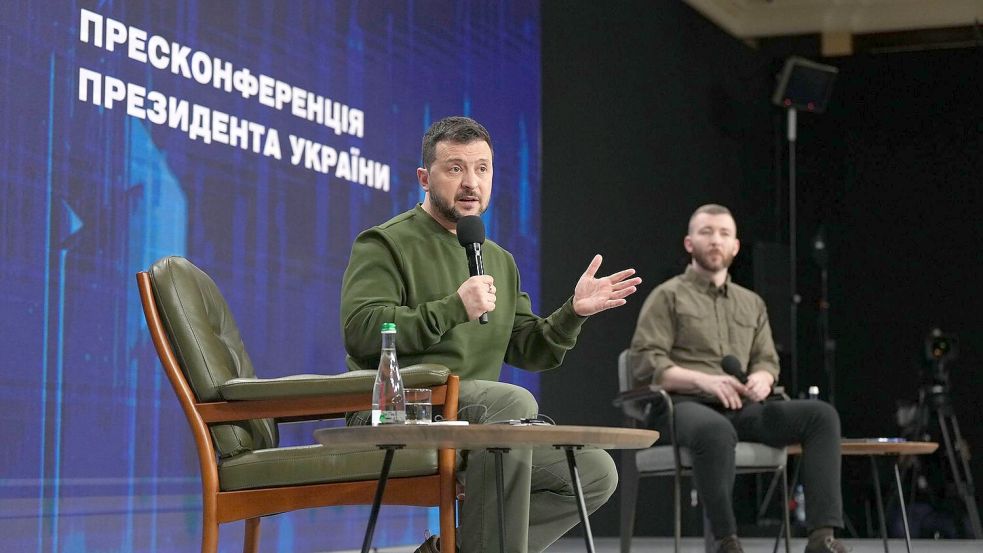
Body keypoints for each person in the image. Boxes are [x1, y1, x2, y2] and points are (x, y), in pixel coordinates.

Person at [340, 116, 642, 553]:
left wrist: (573, 313)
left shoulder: (497, 259)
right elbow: (361, 331)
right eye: (456, 168)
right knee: (514, 402)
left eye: (482, 169)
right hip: (400, 408)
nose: (471, 182)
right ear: (425, 177)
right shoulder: (385, 243)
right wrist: (452, 308)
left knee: (595, 472)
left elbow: (530, 348)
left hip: (478, 419)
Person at [629, 204, 846, 553]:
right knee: (715, 430)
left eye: (724, 234)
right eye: (706, 232)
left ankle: (822, 537)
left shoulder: (752, 304)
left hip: (742, 405)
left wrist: (762, 376)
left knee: (822, 416)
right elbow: (645, 362)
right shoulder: (667, 296)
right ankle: (726, 543)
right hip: (684, 405)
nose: (716, 240)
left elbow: (766, 359)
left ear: (735, 247)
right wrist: (704, 381)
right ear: (689, 243)